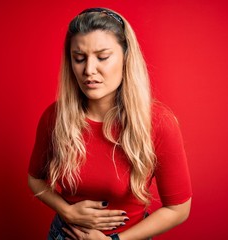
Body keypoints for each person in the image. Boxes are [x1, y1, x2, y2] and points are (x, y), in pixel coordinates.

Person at [28, 7, 192, 240]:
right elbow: (34, 179)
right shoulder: (55, 117)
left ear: (126, 57)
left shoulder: (158, 122)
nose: (89, 70)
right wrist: (67, 211)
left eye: (102, 57)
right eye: (79, 58)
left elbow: (179, 209)